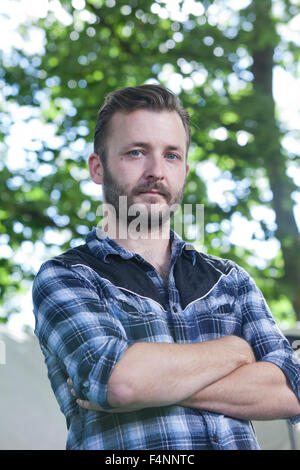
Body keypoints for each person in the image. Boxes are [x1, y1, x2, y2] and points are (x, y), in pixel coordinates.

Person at [32, 84, 300, 450]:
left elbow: (290, 390)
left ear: (185, 170)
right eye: (136, 152)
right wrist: (236, 351)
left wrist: (152, 383)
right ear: (98, 167)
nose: (156, 171)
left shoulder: (230, 281)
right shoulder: (67, 276)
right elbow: (119, 382)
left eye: (171, 155)